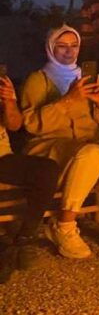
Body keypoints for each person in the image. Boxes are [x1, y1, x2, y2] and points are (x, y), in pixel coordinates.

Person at [19, 25, 99, 259]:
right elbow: (32, 125)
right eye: (62, 46)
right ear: (51, 48)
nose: (69, 51)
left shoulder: (89, 78)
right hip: (50, 145)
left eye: (74, 45)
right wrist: (68, 101)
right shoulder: (38, 80)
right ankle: (64, 226)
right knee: (90, 152)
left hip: (86, 142)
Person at [0, 74, 60, 283]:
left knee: (47, 170)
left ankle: (25, 237)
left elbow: (15, 125)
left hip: (2, 157)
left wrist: (9, 102)